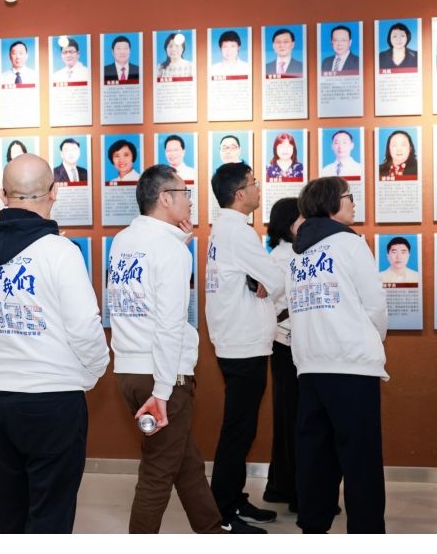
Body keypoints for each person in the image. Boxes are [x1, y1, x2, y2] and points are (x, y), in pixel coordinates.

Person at [0, 154, 109, 533]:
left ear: (2, 195)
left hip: (1, 399)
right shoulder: (60, 252)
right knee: (51, 514)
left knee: (11, 511)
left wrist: (7, 351)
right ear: (54, 192)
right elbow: (85, 327)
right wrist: (90, 374)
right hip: (55, 399)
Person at [108, 165, 241, 534]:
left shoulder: (123, 241)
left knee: (184, 459)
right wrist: (164, 390)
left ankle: (210, 527)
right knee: (158, 471)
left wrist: (180, 241)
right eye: (185, 193)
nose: (190, 201)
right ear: (165, 198)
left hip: (129, 370)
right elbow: (168, 325)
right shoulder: (170, 251)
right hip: (162, 377)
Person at [284, 175, 388, 533]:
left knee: (315, 457)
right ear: (331, 203)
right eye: (349, 196)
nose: (354, 202)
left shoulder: (298, 253)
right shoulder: (350, 244)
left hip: (310, 365)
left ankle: (313, 529)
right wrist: (372, 338)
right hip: (351, 365)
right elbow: (375, 305)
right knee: (361, 462)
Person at [205, 162, 284, 530]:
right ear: (239, 194)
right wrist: (265, 280)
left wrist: (262, 280)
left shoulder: (225, 228)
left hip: (237, 339)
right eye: (253, 183)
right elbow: (275, 278)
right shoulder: (238, 232)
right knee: (238, 430)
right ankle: (222, 511)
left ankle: (233, 499)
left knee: (241, 427)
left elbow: (263, 279)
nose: (258, 188)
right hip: (243, 342)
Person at [262, 197, 301, 513]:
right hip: (287, 344)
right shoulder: (283, 257)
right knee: (293, 417)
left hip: (289, 344)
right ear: (289, 223)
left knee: (290, 415)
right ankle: (293, 490)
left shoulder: (286, 254)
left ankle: (280, 485)